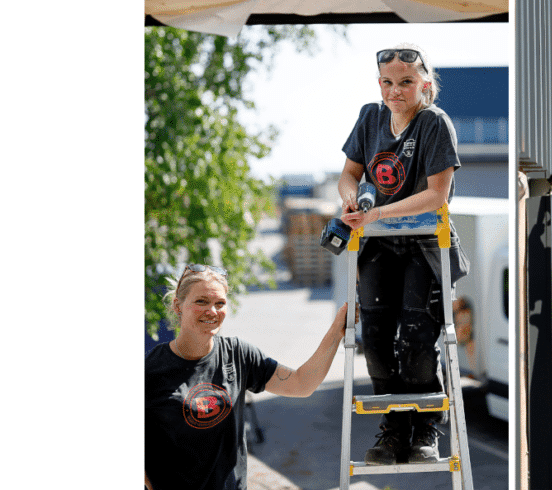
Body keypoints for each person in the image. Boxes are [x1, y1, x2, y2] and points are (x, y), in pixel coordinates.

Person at [336, 43, 469, 465]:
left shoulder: (435, 124)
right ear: (380, 84)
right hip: (378, 244)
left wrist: (377, 212)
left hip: (425, 243)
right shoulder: (370, 117)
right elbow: (349, 173)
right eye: (389, 83)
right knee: (373, 338)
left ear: (424, 84)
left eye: (406, 83)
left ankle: (425, 430)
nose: (396, 91)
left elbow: (436, 195)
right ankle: (393, 431)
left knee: (415, 340)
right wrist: (350, 200)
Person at [145, 264, 351, 490]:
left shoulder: (238, 355)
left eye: (220, 303)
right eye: (201, 301)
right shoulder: (151, 369)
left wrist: (336, 331)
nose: (212, 311)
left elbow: (301, 384)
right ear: (178, 306)